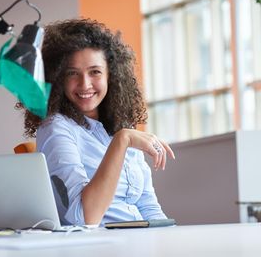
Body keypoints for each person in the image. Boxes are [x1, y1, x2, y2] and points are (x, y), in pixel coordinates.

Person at [18, 18, 175, 226]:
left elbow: (147, 206)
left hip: (140, 242)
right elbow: (85, 217)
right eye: (72, 73)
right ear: (57, 78)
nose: (85, 84)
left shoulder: (120, 126)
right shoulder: (57, 128)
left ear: (111, 76)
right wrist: (122, 141)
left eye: (95, 72)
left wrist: (172, 239)